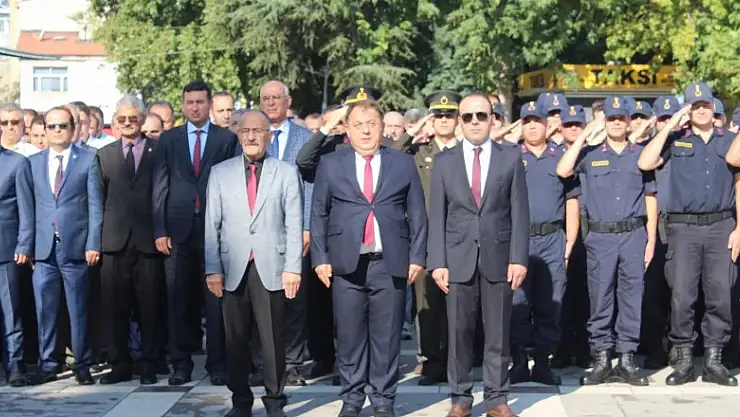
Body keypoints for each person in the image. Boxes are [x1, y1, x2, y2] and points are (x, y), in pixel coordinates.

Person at [311, 99, 427, 417]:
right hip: (346, 263)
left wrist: (417, 256)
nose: (365, 131)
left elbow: (418, 213)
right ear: (347, 130)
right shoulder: (331, 164)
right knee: (349, 336)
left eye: (371, 124)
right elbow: (319, 214)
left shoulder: (401, 163)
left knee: (387, 337)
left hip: (390, 262)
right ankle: (351, 399)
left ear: (382, 127)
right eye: (358, 124)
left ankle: (383, 399)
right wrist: (320, 258)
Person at [427, 92, 528, 417]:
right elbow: (437, 215)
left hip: (499, 256)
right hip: (457, 259)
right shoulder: (444, 161)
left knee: (497, 333)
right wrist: (438, 262)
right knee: (459, 333)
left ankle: (497, 398)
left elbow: (519, 211)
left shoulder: (510, 158)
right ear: (460, 120)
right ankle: (460, 398)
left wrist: (519, 258)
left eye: (481, 115)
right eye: (467, 116)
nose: (474, 122)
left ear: (492, 119)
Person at [205, 110, 303, 417]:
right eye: (245, 131)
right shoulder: (220, 173)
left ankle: (275, 400)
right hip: (232, 267)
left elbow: (294, 223)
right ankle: (240, 402)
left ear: (269, 136)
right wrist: (212, 268)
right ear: (238, 135)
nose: (251, 136)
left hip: (271, 267)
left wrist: (293, 267)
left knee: (272, 338)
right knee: (234, 339)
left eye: (258, 131)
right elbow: (212, 224)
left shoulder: (286, 172)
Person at [558, 96, 657, 386]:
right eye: (610, 118)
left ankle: (626, 358)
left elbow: (651, 197)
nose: (616, 123)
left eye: (620, 118)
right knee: (600, 297)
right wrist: (586, 134)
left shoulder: (640, 155)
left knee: (631, 297)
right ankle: (601, 358)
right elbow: (563, 170)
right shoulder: (589, 154)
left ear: (628, 122)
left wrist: (651, 238)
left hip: (633, 234)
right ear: (604, 121)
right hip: (600, 236)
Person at [644, 81, 739, 387]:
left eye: (705, 105)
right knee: (682, 295)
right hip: (683, 228)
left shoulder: (729, 141)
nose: (701, 110)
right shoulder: (676, 140)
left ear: (713, 107)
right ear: (687, 109)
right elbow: (645, 162)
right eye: (694, 106)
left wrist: (739, 228)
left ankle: (714, 360)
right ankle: (684, 359)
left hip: (721, 226)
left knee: (720, 295)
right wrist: (671, 124)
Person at [152, 80, 238, 386]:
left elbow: (233, 184)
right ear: (183, 105)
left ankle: (217, 364)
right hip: (178, 232)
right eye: (189, 102)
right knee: (178, 300)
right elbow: (160, 185)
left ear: (210, 104)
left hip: (215, 230)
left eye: (200, 102)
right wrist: (160, 229)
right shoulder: (169, 139)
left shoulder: (226, 139)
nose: (195, 107)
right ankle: (181, 364)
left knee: (215, 300)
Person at [28, 106, 103, 386]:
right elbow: (29, 208)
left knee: (78, 309)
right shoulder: (33, 163)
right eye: (52, 126)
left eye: (62, 126)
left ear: (73, 129)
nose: (57, 131)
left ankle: (82, 363)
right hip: (43, 249)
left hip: (76, 247)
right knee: (45, 309)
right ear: (44, 130)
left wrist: (93, 242)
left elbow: (95, 206)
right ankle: (48, 363)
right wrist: (28, 246)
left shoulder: (88, 159)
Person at [509, 101, 580, 386]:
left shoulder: (561, 157)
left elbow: (572, 202)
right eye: (526, 122)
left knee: (551, 304)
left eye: (536, 121)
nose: (532, 127)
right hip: (519, 239)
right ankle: (518, 363)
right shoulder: (511, 156)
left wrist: (568, 243)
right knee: (517, 303)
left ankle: (542, 363)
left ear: (547, 125)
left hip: (552, 239)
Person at [96, 95, 164, 385]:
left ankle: (149, 363)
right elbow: (98, 200)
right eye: (121, 118)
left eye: (132, 118)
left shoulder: (159, 150)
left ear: (142, 119)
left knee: (150, 307)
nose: (127, 123)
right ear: (115, 120)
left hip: (149, 242)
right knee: (115, 308)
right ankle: (119, 364)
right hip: (114, 242)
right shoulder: (104, 155)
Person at [394, 90, 460, 386]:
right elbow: (392, 154)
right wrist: (416, 130)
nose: (444, 120)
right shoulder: (419, 151)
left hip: (460, 237)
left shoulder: (467, 150)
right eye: (439, 115)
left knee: (459, 305)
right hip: (427, 236)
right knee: (426, 304)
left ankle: (457, 362)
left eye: (449, 115)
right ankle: (432, 362)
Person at [0, 144, 33, 386]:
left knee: (11, 311)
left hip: (6, 249)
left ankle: (15, 365)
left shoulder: (17, 162)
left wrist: (24, 244)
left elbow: (26, 208)